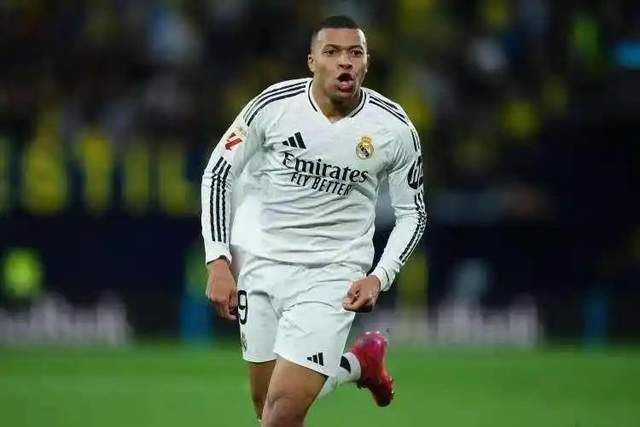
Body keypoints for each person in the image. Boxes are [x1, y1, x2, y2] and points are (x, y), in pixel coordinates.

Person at [201, 15, 426, 427]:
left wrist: (379, 277)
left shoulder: (393, 128)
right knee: (266, 405)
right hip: (262, 266)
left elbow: (413, 213)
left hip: (332, 274)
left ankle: (356, 363)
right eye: (332, 52)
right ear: (312, 61)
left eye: (355, 53)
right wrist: (218, 260)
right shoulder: (274, 106)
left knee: (282, 414)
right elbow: (219, 172)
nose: (345, 62)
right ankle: (359, 364)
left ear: (367, 63)